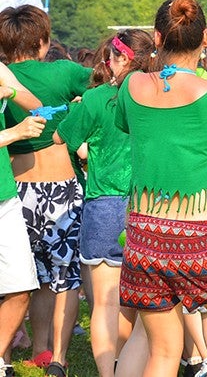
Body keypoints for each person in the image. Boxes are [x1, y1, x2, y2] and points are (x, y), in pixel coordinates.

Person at [115, 0, 207, 376]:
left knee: (162, 350)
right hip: (201, 236)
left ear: (158, 38)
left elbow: (125, 124)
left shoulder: (131, 86)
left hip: (144, 233)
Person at [53, 30, 154, 377]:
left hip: (104, 207)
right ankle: (131, 365)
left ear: (122, 59)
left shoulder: (96, 99)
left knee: (106, 302)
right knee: (143, 302)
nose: (106, 63)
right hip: (148, 206)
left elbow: (60, 136)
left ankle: (109, 373)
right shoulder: (158, 97)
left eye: (110, 57)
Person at [0, 4, 92, 377]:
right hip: (61, 189)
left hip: (16, 189)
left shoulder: (7, 81)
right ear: (43, 41)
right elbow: (102, 84)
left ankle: (29, 344)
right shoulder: (64, 70)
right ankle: (54, 353)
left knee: (29, 275)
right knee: (64, 274)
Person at [0, 61, 44, 377]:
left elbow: (35, 104)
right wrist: (13, 133)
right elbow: (18, 130)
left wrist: (10, 90)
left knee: (22, 286)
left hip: (5, 195)